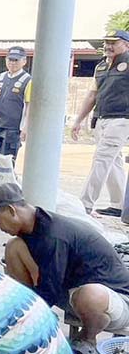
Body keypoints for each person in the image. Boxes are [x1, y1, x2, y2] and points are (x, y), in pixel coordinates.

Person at [0, 183, 129, 354]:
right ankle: (32, 314)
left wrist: (23, 320)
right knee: (14, 247)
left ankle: (87, 339)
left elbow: (49, 289)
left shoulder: (54, 235)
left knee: (90, 294)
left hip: (115, 301)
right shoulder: (33, 226)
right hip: (71, 292)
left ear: (11, 210)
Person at [71, 31, 129, 217]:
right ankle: (118, 205)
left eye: (114, 42)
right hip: (101, 119)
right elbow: (92, 95)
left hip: (121, 119)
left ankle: (85, 205)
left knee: (101, 159)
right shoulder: (101, 66)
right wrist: (79, 120)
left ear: (126, 45)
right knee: (113, 161)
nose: (108, 46)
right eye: (106, 42)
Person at [0, 45, 31, 164]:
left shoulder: (28, 80)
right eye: (10, 59)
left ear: (24, 61)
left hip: (13, 128)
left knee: (7, 159)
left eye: (16, 60)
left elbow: (29, 106)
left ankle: (7, 176)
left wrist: (25, 127)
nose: (12, 63)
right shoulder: (0, 77)